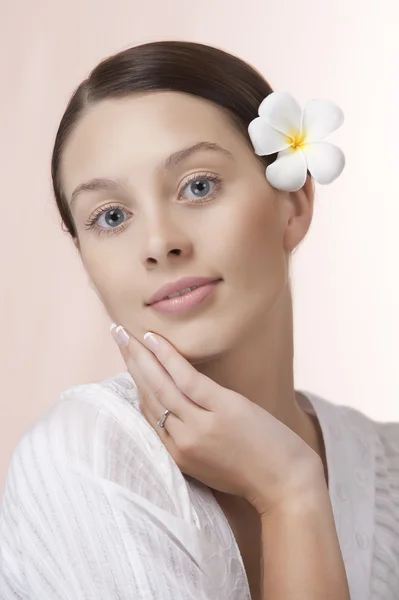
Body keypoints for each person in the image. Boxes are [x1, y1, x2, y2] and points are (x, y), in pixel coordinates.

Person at [0, 40, 398, 600]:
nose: (160, 243)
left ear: (295, 203)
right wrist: (289, 492)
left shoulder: (389, 464)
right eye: (111, 216)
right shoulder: (84, 460)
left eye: (199, 186)